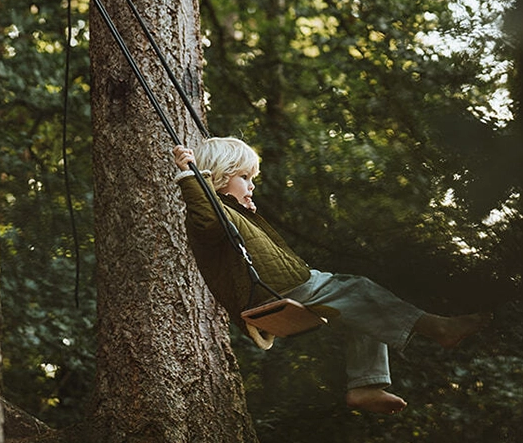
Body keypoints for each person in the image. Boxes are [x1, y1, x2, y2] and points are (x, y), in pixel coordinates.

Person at [173, 137, 488, 414]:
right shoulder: (206, 210)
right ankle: (437, 327)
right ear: (217, 177)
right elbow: (204, 222)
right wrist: (189, 176)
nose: (252, 185)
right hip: (276, 288)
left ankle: (366, 385)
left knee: (357, 310)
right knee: (360, 292)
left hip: (282, 285)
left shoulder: (226, 209)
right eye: (244, 177)